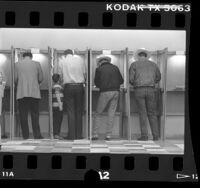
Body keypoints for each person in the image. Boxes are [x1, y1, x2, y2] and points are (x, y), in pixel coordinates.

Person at [129, 48, 161, 141]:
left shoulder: (134, 64)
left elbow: (131, 79)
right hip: (151, 90)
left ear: (138, 56)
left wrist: (135, 83)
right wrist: (152, 82)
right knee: (152, 113)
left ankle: (144, 136)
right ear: (146, 56)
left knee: (142, 113)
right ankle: (155, 136)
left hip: (139, 90)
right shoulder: (154, 65)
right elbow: (158, 77)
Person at [92, 55, 124, 141]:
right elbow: (121, 81)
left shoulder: (99, 69)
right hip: (116, 92)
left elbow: (96, 82)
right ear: (108, 61)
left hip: (105, 92)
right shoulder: (115, 68)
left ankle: (95, 134)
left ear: (100, 62)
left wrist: (101, 84)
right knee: (111, 113)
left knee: (98, 113)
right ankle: (108, 135)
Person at [58, 49, 86, 140]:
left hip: (68, 87)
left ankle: (72, 135)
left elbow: (60, 76)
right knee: (79, 111)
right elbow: (85, 75)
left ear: (65, 54)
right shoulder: (80, 60)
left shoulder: (62, 61)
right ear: (72, 54)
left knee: (70, 111)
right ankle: (79, 135)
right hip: (79, 87)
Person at [15, 51, 44, 139]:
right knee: (35, 114)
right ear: (31, 57)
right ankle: (37, 135)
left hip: (21, 93)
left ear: (23, 57)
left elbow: (15, 79)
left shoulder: (17, 64)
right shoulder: (37, 64)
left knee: (23, 115)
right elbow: (41, 78)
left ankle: (25, 135)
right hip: (34, 93)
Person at [52, 74, 64, 139]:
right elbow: (57, 95)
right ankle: (56, 134)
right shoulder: (57, 86)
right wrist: (60, 105)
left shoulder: (55, 86)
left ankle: (56, 134)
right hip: (58, 106)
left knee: (56, 120)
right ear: (59, 79)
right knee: (58, 120)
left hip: (56, 106)